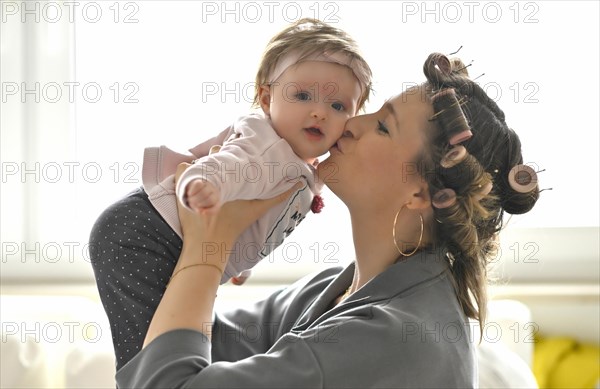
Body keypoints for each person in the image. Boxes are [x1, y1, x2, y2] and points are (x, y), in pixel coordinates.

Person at [114, 52, 540, 388]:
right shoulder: (335, 289)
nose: (351, 123)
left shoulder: (391, 340)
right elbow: (206, 346)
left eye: (383, 127)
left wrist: (209, 249)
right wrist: (153, 230)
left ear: (420, 192)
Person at [89, 18, 372, 370]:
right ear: (267, 98)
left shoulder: (298, 164)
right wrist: (199, 187)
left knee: (172, 343)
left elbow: (256, 216)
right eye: (302, 96)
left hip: (168, 243)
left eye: (338, 106)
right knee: (147, 354)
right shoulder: (265, 146)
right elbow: (220, 166)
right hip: (144, 236)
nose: (320, 111)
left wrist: (237, 257)